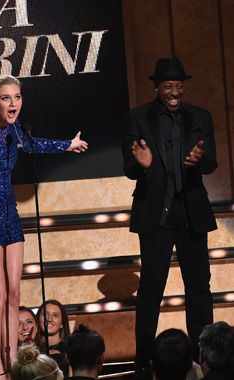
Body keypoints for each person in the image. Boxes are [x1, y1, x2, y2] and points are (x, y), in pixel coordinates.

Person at [0, 75, 87, 379]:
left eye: (18, 97)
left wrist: (68, 145)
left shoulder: (13, 131)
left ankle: (12, 360)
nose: (14, 104)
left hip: (9, 215)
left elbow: (32, 144)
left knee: (13, 294)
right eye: (6, 98)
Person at [121, 58, 217, 375]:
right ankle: (143, 364)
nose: (174, 92)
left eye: (178, 86)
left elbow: (211, 163)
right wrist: (144, 165)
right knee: (151, 290)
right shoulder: (137, 117)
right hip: (155, 213)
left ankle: (206, 359)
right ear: (157, 88)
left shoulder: (200, 117)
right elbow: (129, 167)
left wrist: (199, 160)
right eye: (168, 86)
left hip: (191, 211)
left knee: (199, 288)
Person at [35, 301, 70, 376]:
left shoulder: (69, 350)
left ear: (62, 324)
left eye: (55, 315)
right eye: (45, 314)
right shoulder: (32, 350)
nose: (49, 319)